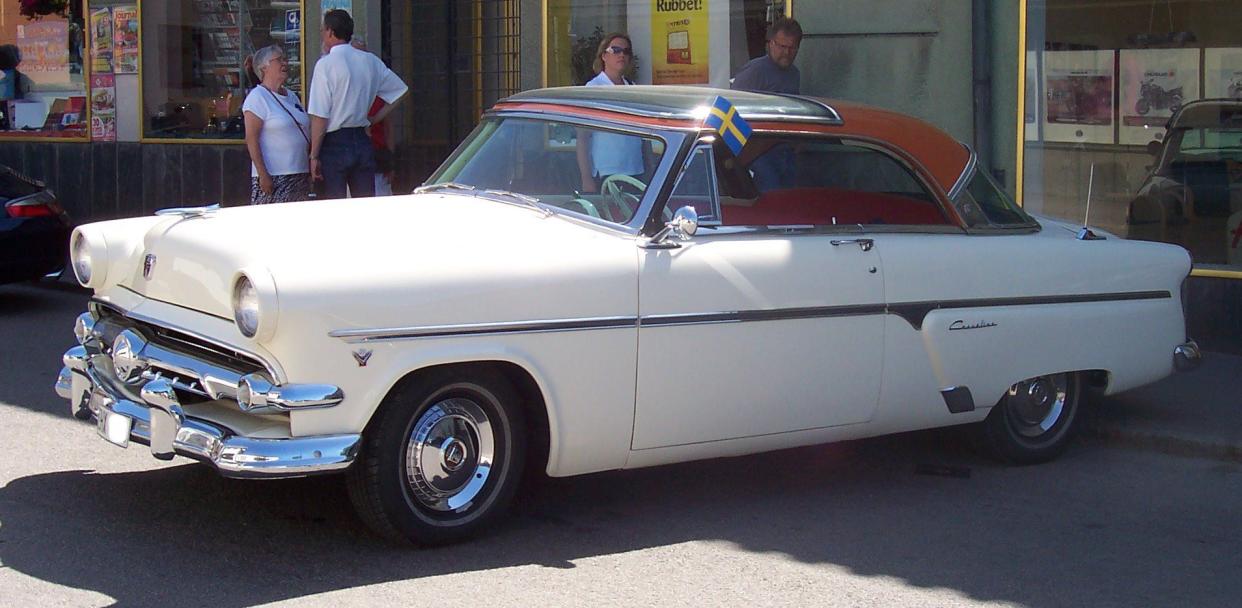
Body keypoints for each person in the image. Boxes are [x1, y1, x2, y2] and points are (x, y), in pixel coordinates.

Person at [308, 10, 408, 199]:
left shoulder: (325, 65)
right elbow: (400, 91)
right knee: (364, 203)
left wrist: (314, 155)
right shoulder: (369, 60)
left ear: (330, 32)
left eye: (322, 30)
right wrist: (374, 118)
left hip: (334, 141)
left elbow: (320, 116)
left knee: (334, 203)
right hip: (362, 138)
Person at [242, 45, 311, 204]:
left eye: (285, 59)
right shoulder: (257, 98)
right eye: (279, 60)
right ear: (264, 67)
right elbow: (252, 139)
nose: (285, 63)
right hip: (275, 176)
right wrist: (262, 174)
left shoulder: (291, 96)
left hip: (299, 174)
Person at [576, 33, 644, 194]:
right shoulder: (593, 88)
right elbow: (582, 138)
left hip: (636, 169)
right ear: (604, 56)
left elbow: (643, 134)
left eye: (626, 51)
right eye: (616, 50)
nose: (622, 54)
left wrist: (651, 165)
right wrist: (586, 178)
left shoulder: (633, 88)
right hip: (606, 171)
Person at [351, 36, 396, 196]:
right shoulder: (344, 87)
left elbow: (388, 127)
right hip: (353, 162)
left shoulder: (377, 86)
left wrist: (390, 162)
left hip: (378, 159)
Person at [730, 17, 802, 95]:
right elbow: (733, 100)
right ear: (771, 44)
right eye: (782, 46)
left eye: (792, 48)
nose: (787, 52)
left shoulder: (794, 74)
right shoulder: (754, 71)